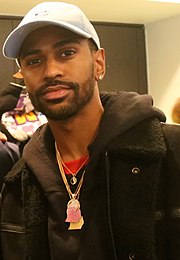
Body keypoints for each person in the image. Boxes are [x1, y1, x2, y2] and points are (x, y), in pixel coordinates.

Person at [1, 2, 180, 259]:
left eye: (67, 53)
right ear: (24, 76)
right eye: (35, 60)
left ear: (99, 63)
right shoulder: (18, 185)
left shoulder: (170, 153)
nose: (51, 71)